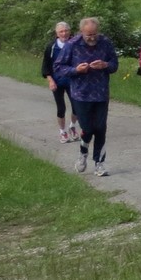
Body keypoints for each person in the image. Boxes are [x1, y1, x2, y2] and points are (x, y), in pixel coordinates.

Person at [54, 15, 120, 176]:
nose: (92, 38)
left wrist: (105, 65)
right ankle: (83, 153)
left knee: (101, 129)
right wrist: (76, 70)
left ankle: (99, 163)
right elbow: (58, 67)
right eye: (88, 35)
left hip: (101, 93)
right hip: (81, 94)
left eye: (94, 34)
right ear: (81, 31)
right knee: (88, 129)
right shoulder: (72, 44)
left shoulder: (105, 42)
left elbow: (114, 64)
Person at [43, 21, 75, 142]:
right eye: (61, 31)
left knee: (77, 107)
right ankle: (62, 132)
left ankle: (72, 126)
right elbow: (46, 66)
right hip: (57, 81)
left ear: (70, 31)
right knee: (61, 108)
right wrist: (50, 80)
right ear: (57, 33)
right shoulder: (51, 47)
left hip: (73, 80)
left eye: (66, 31)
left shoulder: (75, 44)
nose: (64, 33)